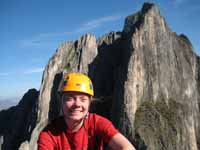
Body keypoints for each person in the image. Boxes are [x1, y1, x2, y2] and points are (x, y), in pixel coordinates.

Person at [38, 72, 136, 150]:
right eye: (70, 98)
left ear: (89, 102)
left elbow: (127, 147)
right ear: (61, 101)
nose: (77, 104)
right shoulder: (49, 134)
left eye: (83, 99)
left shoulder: (97, 123)